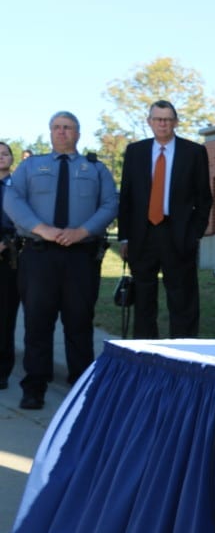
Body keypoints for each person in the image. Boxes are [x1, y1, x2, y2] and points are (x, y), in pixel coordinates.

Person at [3, 112, 117, 409]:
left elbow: (110, 203)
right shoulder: (30, 166)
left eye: (68, 128)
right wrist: (45, 230)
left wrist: (82, 231)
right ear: (50, 132)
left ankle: (81, 385)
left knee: (79, 322)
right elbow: (13, 201)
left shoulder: (95, 169)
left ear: (78, 133)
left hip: (81, 257)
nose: (62, 132)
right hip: (39, 255)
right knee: (37, 322)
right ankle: (34, 386)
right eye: (56, 127)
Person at [117, 101, 213, 339]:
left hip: (178, 234)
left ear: (176, 122)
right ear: (149, 122)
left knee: (183, 299)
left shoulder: (193, 152)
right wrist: (124, 237)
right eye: (158, 119)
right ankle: (145, 353)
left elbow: (204, 198)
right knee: (143, 300)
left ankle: (183, 352)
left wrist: (194, 234)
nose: (163, 123)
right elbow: (126, 197)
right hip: (142, 234)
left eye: (168, 119)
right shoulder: (135, 152)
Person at [0, 142, 18, 389]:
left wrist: (6, 242)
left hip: (9, 256)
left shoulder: (20, 187)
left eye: (5, 153)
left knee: (4, 316)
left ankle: (2, 370)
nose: (1, 157)